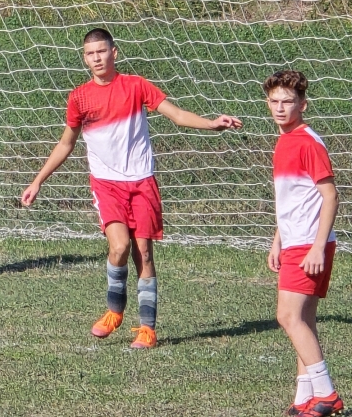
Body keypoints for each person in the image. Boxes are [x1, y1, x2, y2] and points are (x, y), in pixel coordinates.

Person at [20, 27, 242, 348]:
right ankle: (114, 310)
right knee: (119, 246)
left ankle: (147, 329)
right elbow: (66, 143)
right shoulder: (79, 97)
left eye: (101, 51)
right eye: (90, 54)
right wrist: (38, 181)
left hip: (142, 181)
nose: (97, 58)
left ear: (114, 53)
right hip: (106, 184)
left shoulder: (136, 86)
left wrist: (211, 123)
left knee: (144, 254)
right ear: (84, 59)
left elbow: (177, 115)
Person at [264, 69, 345, 417]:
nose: (280, 108)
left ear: (303, 105)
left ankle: (327, 394)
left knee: (287, 316)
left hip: (308, 245)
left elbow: (330, 196)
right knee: (304, 321)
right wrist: (277, 240)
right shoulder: (284, 141)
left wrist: (316, 247)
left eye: (288, 101)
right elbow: (292, 200)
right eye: (274, 101)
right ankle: (305, 396)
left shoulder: (308, 142)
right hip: (294, 241)